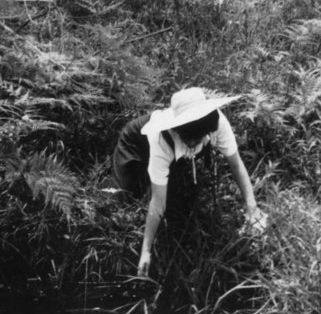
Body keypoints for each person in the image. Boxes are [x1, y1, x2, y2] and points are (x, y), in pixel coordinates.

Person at [111, 87, 267, 278]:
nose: (193, 144)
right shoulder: (161, 139)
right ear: (177, 130)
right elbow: (157, 202)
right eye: (188, 139)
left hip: (174, 149)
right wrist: (146, 251)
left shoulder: (217, 123)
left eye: (198, 139)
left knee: (177, 202)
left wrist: (252, 207)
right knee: (127, 194)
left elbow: (236, 166)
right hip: (134, 141)